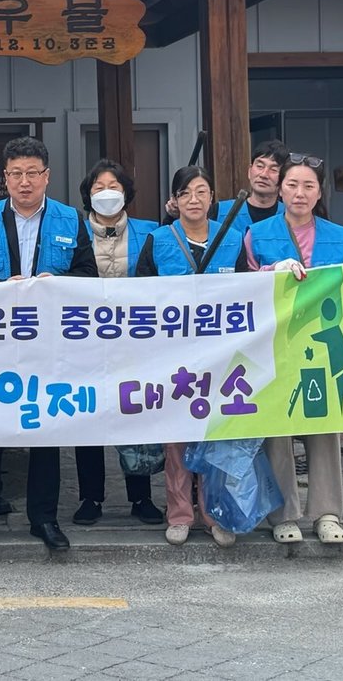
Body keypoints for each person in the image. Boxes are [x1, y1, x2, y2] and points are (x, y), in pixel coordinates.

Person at [0, 136, 98, 553]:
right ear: (5, 178)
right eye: (16, 173)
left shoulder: (70, 219)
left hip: (48, 342)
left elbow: (88, 274)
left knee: (45, 429)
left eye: (32, 173)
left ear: (47, 176)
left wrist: (61, 284)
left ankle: (44, 518)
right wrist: (0, 287)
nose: (24, 181)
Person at [245, 152, 343, 545]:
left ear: (319, 192)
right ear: (280, 190)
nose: (300, 192)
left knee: (325, 426)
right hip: (275, 346)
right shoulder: (257, 235)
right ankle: (282, 515)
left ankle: (327, 513)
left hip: (324, 346)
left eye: (308, 185)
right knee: (277, 429)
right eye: (292, 184)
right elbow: (242, 286)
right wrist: (270, 271)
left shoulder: (340, 237)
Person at [137, 165, 250, 548]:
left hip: (221, 356)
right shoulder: (158, 240)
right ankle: (180, 514)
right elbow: (140, 298)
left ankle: (216, 514)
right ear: (175, 200)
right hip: (174, 357)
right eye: (185, 193)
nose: (194, 200)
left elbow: (247, 294)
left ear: (212, 198)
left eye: (202, 192)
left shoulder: (232, 238)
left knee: (217, 437)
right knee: (178, 440)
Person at [71, 159, 162, 527]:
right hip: (84, 339)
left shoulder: (151, 232)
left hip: (135, 340)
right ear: (87, 194)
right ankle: (90, 496)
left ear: (126, 193)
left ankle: (141, 496)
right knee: (86, 415)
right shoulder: (73, 232)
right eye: (98, 187)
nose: (106, 193)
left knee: (135, 412)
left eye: (114, 186)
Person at [214, 138, 289, 239]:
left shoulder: (290, 215)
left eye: (273, 169)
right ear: (250, 171)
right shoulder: (219, 211)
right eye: (260, 166)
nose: (264, 175)